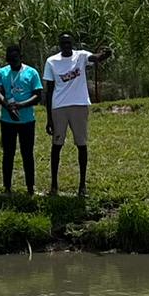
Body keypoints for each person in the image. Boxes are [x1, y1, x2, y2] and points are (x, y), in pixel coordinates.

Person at [45, 33, 95, 196]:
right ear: (59, 44)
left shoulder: (81, 56)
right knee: (57, 145)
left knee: (81, 145)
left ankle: (82, 186)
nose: (66, 45)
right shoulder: (51, 61)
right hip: (59, 107)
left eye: (68, 42)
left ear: (72, 43)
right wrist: (49, 118)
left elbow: (95, 58)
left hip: (79, 105)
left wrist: (105, 54)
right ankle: (54, 185)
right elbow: (49, 89)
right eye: (63, 42)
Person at [0, 41, 44, 195]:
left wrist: (19, 105)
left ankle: (30, 187)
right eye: (9, 59)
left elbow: (37, 96)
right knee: (8, 153)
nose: (12, 62)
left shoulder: (31, 73)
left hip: (27, 120)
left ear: (21, 57)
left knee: (27, 153)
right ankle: (7, 187)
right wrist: (7, 106)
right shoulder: (2, 73)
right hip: (7, 120)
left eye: (15, 58)